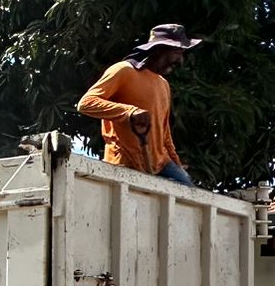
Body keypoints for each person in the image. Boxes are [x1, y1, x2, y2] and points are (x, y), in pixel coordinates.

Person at [76, 23, 201, 186]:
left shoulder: (163, 84)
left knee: (190, 197)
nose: (180, 60)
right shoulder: (124, 71)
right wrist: (130, 112)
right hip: (125, 163)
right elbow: (86, 103)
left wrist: (176, 163)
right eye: (177, 52)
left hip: (161, 163)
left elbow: (164, 133)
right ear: (160, 49)